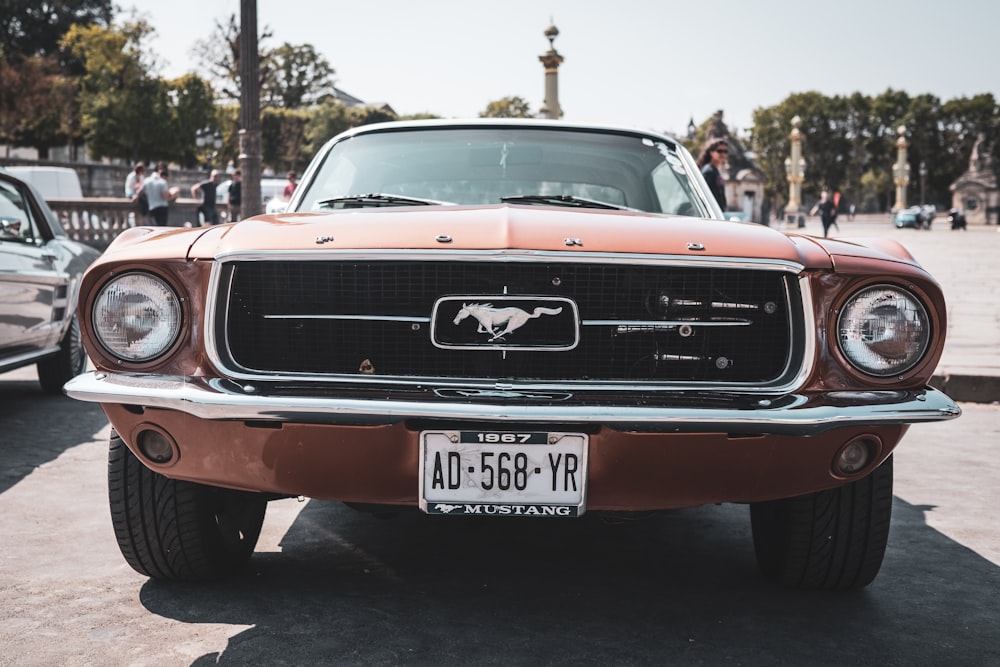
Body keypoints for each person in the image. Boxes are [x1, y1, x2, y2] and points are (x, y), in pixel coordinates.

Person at [696, 139, 728, 210]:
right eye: (719, 151)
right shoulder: (708, 171)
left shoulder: (715, 170)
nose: (723, 154)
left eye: (725, 151)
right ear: (711, 152)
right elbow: (703, 196)